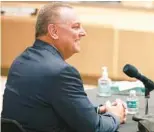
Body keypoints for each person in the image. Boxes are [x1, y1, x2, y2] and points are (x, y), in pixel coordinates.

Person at [1, 2, 126, 132]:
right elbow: (94, 128)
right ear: (53, 31)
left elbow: (43, 110)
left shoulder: (21, 61)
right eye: (76, 27)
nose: (83, 33)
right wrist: (115, 115)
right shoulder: (61, 72)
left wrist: (96, 110)